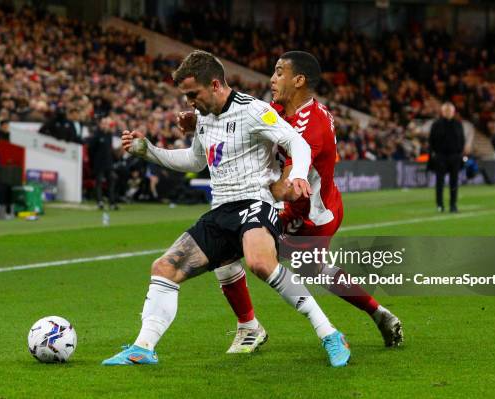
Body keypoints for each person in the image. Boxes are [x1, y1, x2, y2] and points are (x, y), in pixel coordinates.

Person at [102, 50, 351, 367]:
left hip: (255, 203)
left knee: (260, 262)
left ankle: (329, 333)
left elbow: (297, 143)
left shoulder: (254, 111)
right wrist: (149, 151)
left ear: (215, 84)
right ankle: (143, 348)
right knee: (163, 268)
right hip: (221, 211)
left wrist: (299, 175)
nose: (190, 102)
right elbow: (195, 160)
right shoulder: (204, 118)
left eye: (193, 94)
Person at [180, 51, 403, 352]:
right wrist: (202, 121)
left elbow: (286, 187)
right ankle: (251, 327)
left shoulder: (310, 127)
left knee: (293, 264)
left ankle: (359, 319)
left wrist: (245, 186)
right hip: (301, 206)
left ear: (299, 80)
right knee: (231, 249)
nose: (272, 79)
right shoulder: (279, 108)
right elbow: (242, 122)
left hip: (308, 212)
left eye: (279, 72)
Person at [429, 103, 465, 213]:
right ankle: (440, 205)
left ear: (453, 112)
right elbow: (431, 140)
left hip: (454, 156)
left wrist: (459, 153)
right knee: (440, 182)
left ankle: (453, 205)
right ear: (442, 112)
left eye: (450, 110)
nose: (448, 112)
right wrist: (434, 154)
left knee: (454, 182)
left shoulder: (458, 124)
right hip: (441, 156)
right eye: (446, 110)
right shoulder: (436, 124)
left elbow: (462, 139)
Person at [89, 117, 118, 210]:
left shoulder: (109, 135)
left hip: (108, 163)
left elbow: (109, 149)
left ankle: (112, 203)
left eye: (107, 124)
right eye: (104, 123)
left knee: (111, 182)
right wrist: (95, 160)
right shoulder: (96, 135)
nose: (106, 126)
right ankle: (100, 202)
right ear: (100, 125)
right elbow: (91, 149)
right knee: (99, 183)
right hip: (99, 163)